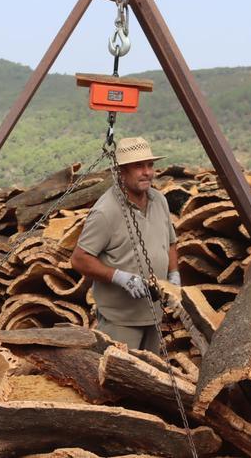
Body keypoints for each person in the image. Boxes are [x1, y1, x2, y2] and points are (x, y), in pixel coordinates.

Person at [71, 137, 179, 354]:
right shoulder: (106, 211)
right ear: (120, 171)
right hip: (120, 320)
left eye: (150, 165)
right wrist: (119, 277)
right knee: (119, 379)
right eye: (138, 166)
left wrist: (174, 275)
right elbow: (79, 259)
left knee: (150, 377)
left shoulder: (159, 200)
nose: (147, 172)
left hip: (154, 313)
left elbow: (170, 241)